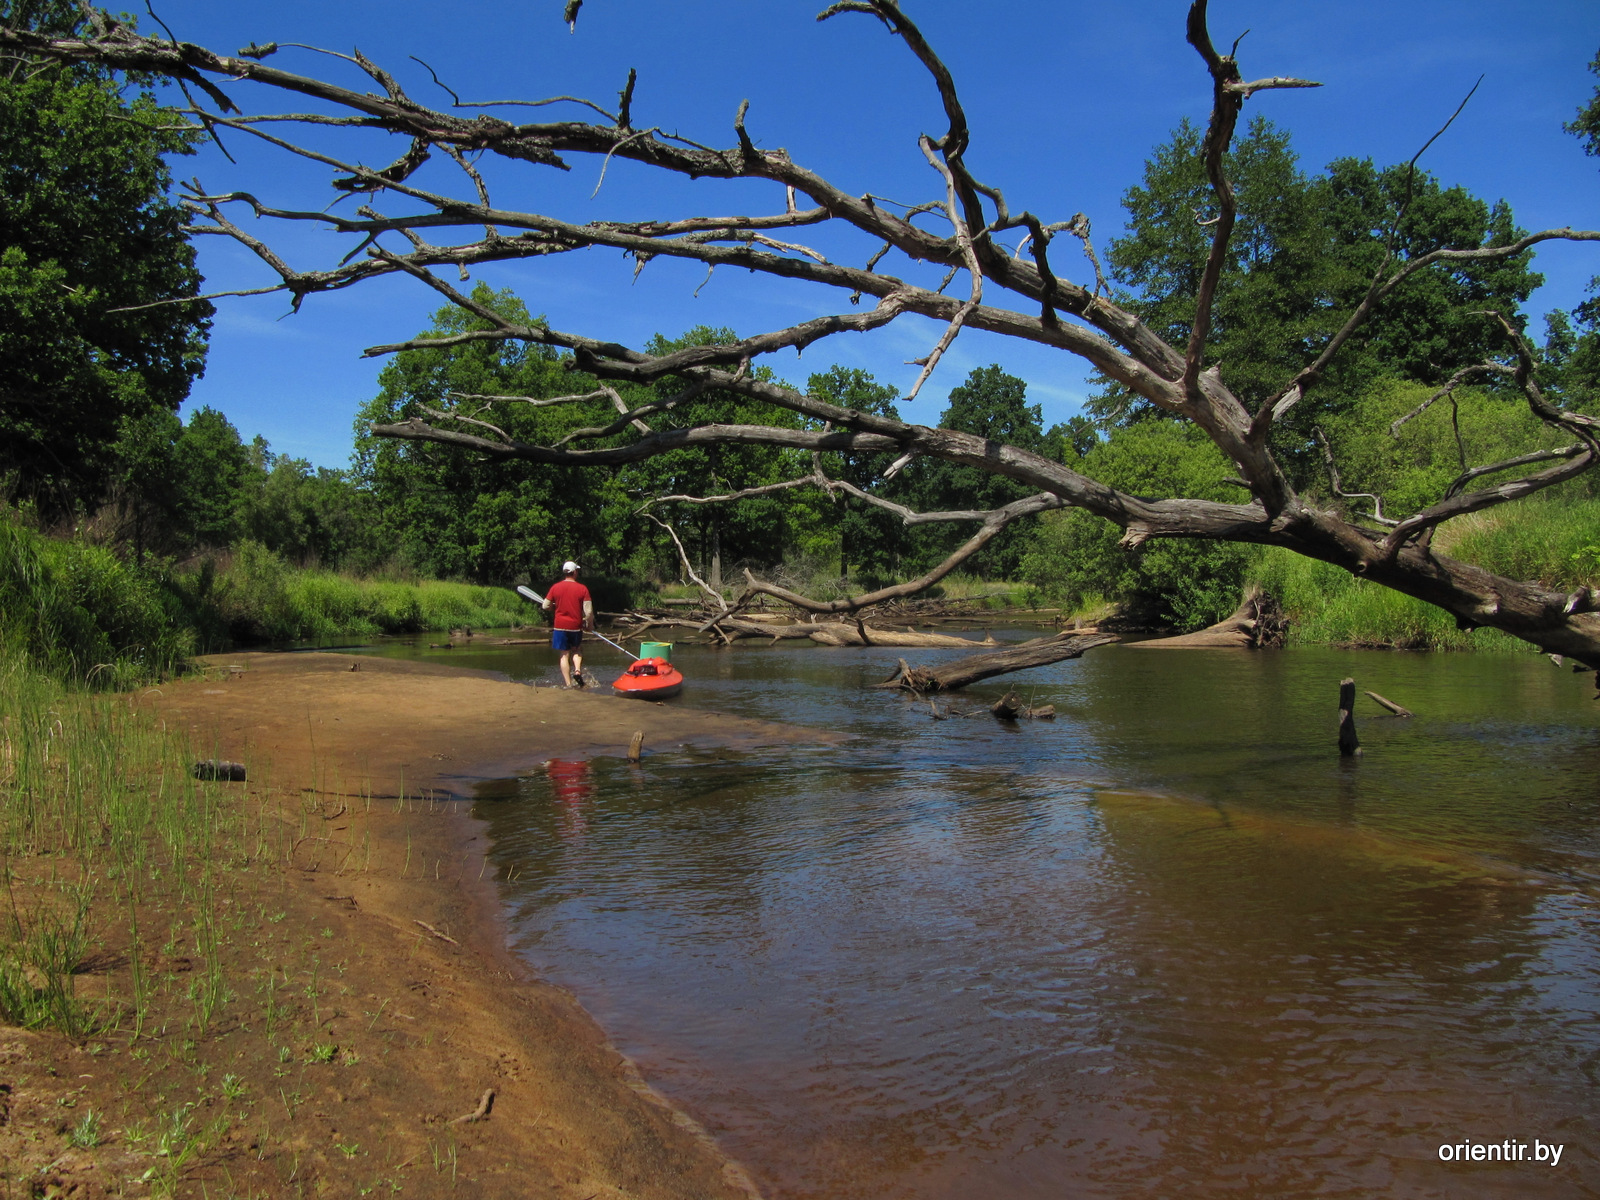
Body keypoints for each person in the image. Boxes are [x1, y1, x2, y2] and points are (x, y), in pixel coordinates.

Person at [542, 560, 594, 688]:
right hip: (575, 626)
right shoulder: (582, 588)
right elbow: (588, 611)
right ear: (574, 572)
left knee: (564, 654)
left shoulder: (555, 587)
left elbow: (545, 605)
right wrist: (589, 625)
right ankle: (577, 670)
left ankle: (568, 684)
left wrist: (554, 607)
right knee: (577, 650)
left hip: (560, 626)